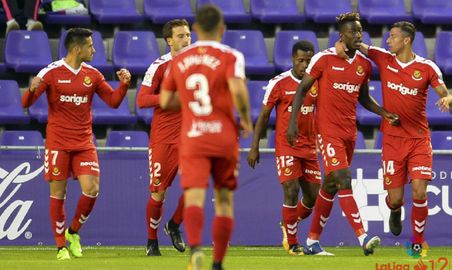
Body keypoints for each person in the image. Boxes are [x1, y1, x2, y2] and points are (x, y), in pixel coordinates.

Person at [335, 21, 452, 257]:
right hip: (392, 139)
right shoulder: (382, 58)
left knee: (420, 191)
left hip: (419, 139)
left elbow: (447, 94)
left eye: (392, 37)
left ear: (406, 40)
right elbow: (355, 43)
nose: (388, 41)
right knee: (396, 198)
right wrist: (340, 42)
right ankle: (394, 209)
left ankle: (417, 242)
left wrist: (446, 101)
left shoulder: (427, 67)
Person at [287, 12, 399, 256]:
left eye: (360, 31)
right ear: (342, 35)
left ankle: (312, 241)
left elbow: (363, 97)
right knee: (343, 179)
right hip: (327, 131)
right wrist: (292, 122)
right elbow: (301, 90)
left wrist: (383, 112)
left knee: (330, 186)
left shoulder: (363, 65)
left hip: (349, 133)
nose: (358, 35)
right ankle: (363, 236)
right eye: (353, 32)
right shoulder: (323, 59)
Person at [21, 28, 131, 260]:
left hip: (83, 143)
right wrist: (31, 89)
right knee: (58, 194)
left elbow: (112, 102)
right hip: (58, 144)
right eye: (90, 45)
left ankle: (73, 233)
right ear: (77, 48)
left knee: (92, 189)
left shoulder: (93, 74)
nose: (94, 49)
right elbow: (26, 103)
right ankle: (61, 246)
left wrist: (123, 86)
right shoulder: (51, 73)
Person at [159, 4, 252, 270]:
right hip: (223, 137)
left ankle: (196, 249)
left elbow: (165, 100)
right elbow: (238, 89)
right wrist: (245, 118)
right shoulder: (231, 56)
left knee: (194, 197)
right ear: (222, 29)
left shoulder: (179, 59)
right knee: (223, 201)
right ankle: (218, 262)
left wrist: (189, 101)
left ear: (197, 29)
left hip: (193, 137)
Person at [247, 41, 331, 256]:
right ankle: (293, 243)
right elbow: (264, 116)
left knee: (312, 197)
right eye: (300, 60)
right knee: (291, 190)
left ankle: (288, 223)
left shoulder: (317, 83)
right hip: (286, 146)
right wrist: (255, 146)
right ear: (293, 60)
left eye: (308, 61)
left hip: (309, 147)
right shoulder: (279, 83)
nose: (304, 65)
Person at [137, 19, 191, 256]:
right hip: (165, 137)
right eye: (180, 36)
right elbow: (142, 100)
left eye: (188, 35)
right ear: (169, 40)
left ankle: (175, 224)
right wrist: (168, 99)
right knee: (159, 192)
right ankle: (152, 241)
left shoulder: (199, 64)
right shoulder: (158, 66)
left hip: (192, 135)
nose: (186, 39)